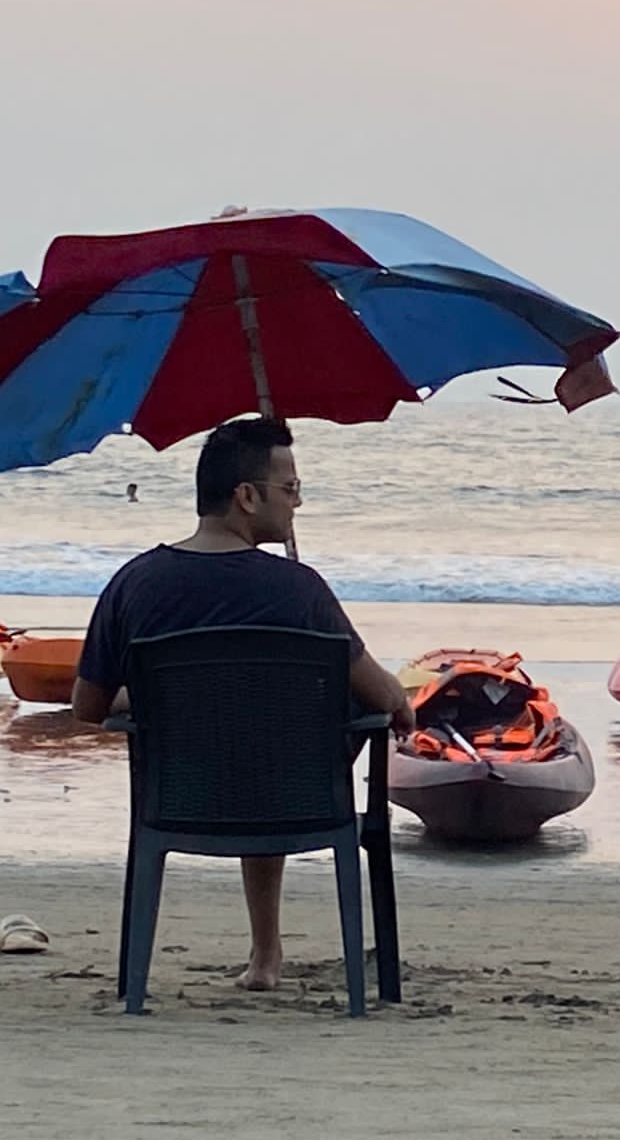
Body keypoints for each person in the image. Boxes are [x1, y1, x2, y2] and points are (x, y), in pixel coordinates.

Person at [72, 417, 414, 992]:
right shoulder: (299, 590)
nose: (297, 502)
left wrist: (154, 692)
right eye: (291, 488)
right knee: (273, 741)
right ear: (247, 497)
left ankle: (264, 955)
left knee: (255, 736)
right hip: (296, 801)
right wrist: (402, 702)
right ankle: (267, 954)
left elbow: (88, 705)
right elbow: (383, 697)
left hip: (179, 803)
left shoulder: (134, 583)